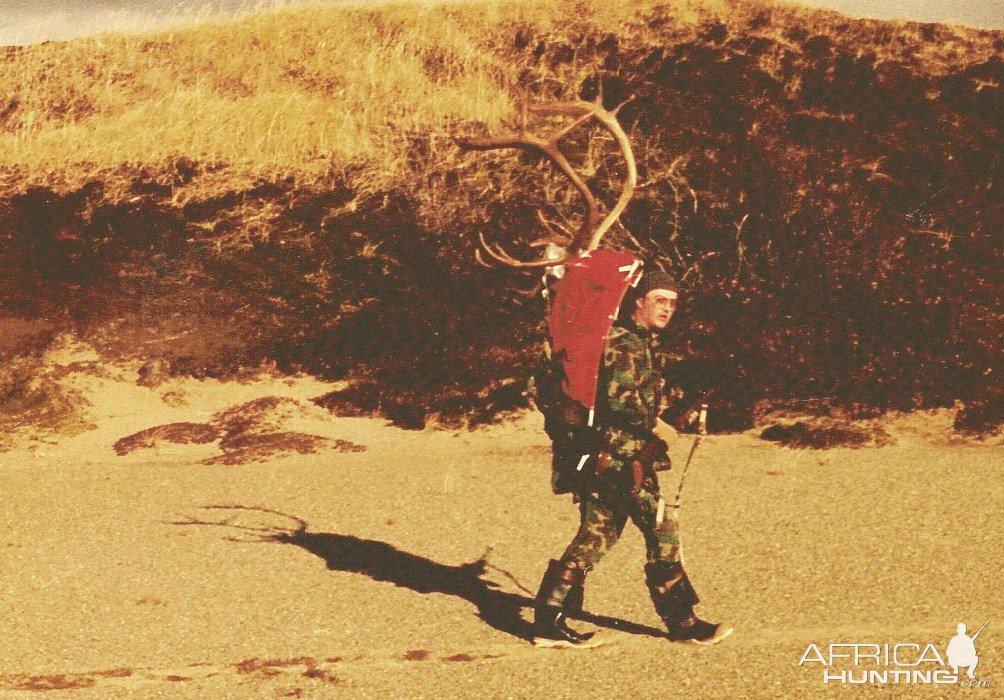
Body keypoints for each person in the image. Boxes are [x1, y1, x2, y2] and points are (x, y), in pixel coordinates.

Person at [531, 269, 732, 648]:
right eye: (659, 300)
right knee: (662, 530)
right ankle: (682, 622)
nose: (667, 309)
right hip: (623, 459)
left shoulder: (640, 342)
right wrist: (659, 426)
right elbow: (620, 402)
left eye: (672, 303)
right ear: (638, 301)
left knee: (598, 533)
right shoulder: (625, 344)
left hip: (612, 458)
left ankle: (548, 618)